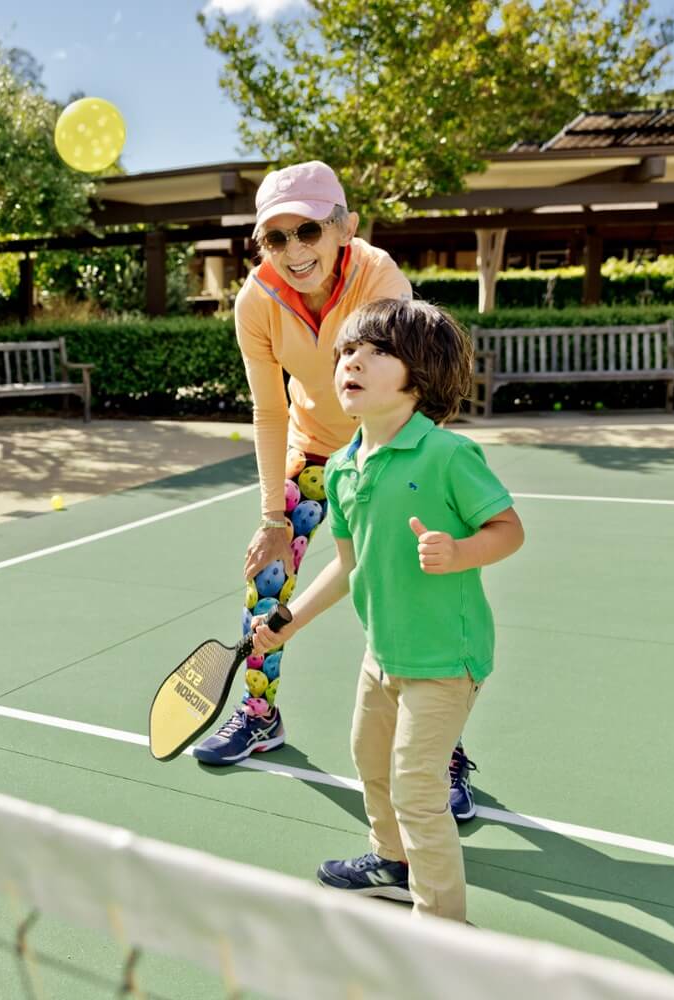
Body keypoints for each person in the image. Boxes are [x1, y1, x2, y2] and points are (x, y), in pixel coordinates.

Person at [193, 160, 480, 825]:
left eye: (309, 231)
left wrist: (410, 471)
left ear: (343, 227)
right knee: (267, 579)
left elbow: (411, 379)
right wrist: (271, 515)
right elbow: (269, 411)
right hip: (314, 450)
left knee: (412, 591)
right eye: (277, 237)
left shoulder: (378, 276)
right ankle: (260, 716)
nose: (295, 250)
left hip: (384, 443)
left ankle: (442, 751)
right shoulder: (256, 302)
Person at [249, 298, 524, 921]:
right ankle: (393, 865)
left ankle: (442, 929)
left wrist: (461, 551)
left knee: (418, 788)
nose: (353, 361)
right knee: (368, 759)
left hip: (445, 659)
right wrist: (289, 618)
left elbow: (509, 530)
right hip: (383, 654)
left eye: (377, 352)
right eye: (347, 351)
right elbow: (349, 566)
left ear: (418, 376)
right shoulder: (344, 467)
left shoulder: (448, 456)